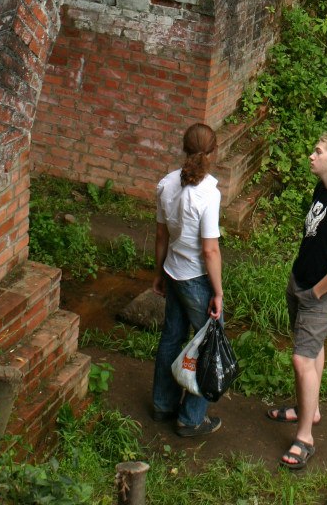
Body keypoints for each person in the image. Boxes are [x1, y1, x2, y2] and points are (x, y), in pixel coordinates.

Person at [267, 132, 327, 469]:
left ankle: (305, 436)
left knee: (300, 360)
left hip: (320, 293)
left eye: (318, 151)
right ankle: (310, 408)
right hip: (301, 282)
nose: (311, 155)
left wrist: (318, 292)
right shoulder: (322, 187)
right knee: (312, 348)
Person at [151, 122, 224, 437]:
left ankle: (162, 405)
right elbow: (210, 251)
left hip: (172, 271)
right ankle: (192, 418)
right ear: (213, 152)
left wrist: (159, 273)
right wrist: (218, 293)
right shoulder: (208, 192)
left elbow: (160, 235)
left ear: (183, 148)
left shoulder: (166, 184)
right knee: (208, 343)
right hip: (195, 279)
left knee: (171, 337)